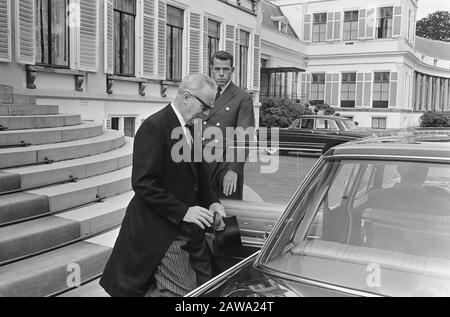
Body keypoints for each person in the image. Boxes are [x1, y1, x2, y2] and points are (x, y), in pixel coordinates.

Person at [99, 74, 226, 297]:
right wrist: (184, 211)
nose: (206, 114)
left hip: (192, 231)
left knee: (209, 287)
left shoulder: (193, 127)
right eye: (205, 106)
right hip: (163, 232)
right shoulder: (153, 127)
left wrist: (213, 202)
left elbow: (200, 175)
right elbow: (143, 184)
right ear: (186, 97)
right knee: (184, 294)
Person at [203, 51, 255, 200]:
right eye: (217, 69)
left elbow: (244, 135)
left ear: (232, 70)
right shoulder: (202, 94)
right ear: (211, 69)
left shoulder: (242, 97)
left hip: (225, 166)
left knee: (227, 213)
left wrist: (234, 170)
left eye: (225, 69)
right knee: (201, 213)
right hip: (200, 163)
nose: (221, 74)